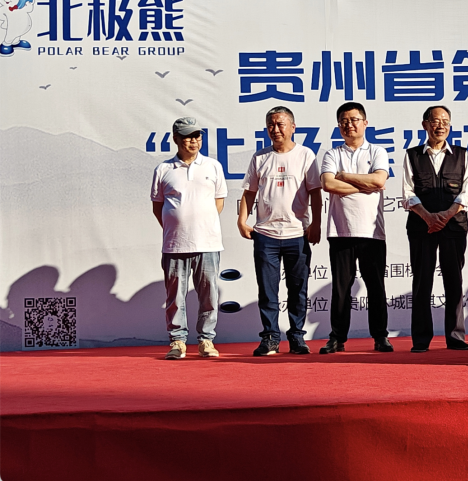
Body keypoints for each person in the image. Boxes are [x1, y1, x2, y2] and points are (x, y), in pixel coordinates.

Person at [238, 106, 322, 356]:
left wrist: (316, 224)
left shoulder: (305, 155)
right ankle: (270, 338)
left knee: (298, 289)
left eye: (280, 124)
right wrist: (242, 220)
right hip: (266, 234)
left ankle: (297, 337)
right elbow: (249, 192)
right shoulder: (260, 157)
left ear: (292, 127)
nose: (275, 129)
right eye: (271, 125)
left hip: (298, 233)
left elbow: (315, 193)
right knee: (267, 290)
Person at [151, 117, 228, 359]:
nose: (193, 141)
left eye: (197, 136)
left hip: (208, 243)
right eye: (187, 136)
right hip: (175, 244)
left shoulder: (213, 166)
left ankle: (206, 340)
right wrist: (178, 225)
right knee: (175, 296)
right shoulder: (163, 169)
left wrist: (201, 224)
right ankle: (177, 341)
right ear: (175, 138)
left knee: (208, 294)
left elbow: (218, 202)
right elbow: (158, 207)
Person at [319, 102, 392, 354]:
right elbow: (328, 185)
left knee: (376, 287)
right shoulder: (332, 154)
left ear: (365, 123)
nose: (349, 124)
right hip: (340, 231)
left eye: (354, 119)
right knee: (341, 289)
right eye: (343, 121)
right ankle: (337, 338)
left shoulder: (377, 151)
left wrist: (344, 176)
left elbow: (379, 180)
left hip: (372, 232)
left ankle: (380, 336)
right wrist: (365, 185)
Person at [402, 105, 468, 353]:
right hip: (421, 227)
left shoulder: (461, 155)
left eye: (445, 121)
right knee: (422, 281)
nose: (440, 125)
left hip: (454, 226)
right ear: (425, 125)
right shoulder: (412, 155)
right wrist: (428, 217)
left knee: (454, 280)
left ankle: (456, 337)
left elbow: (466, 192)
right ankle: (421, 339)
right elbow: (407, 193)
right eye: (435, 121)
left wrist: (446, 215)